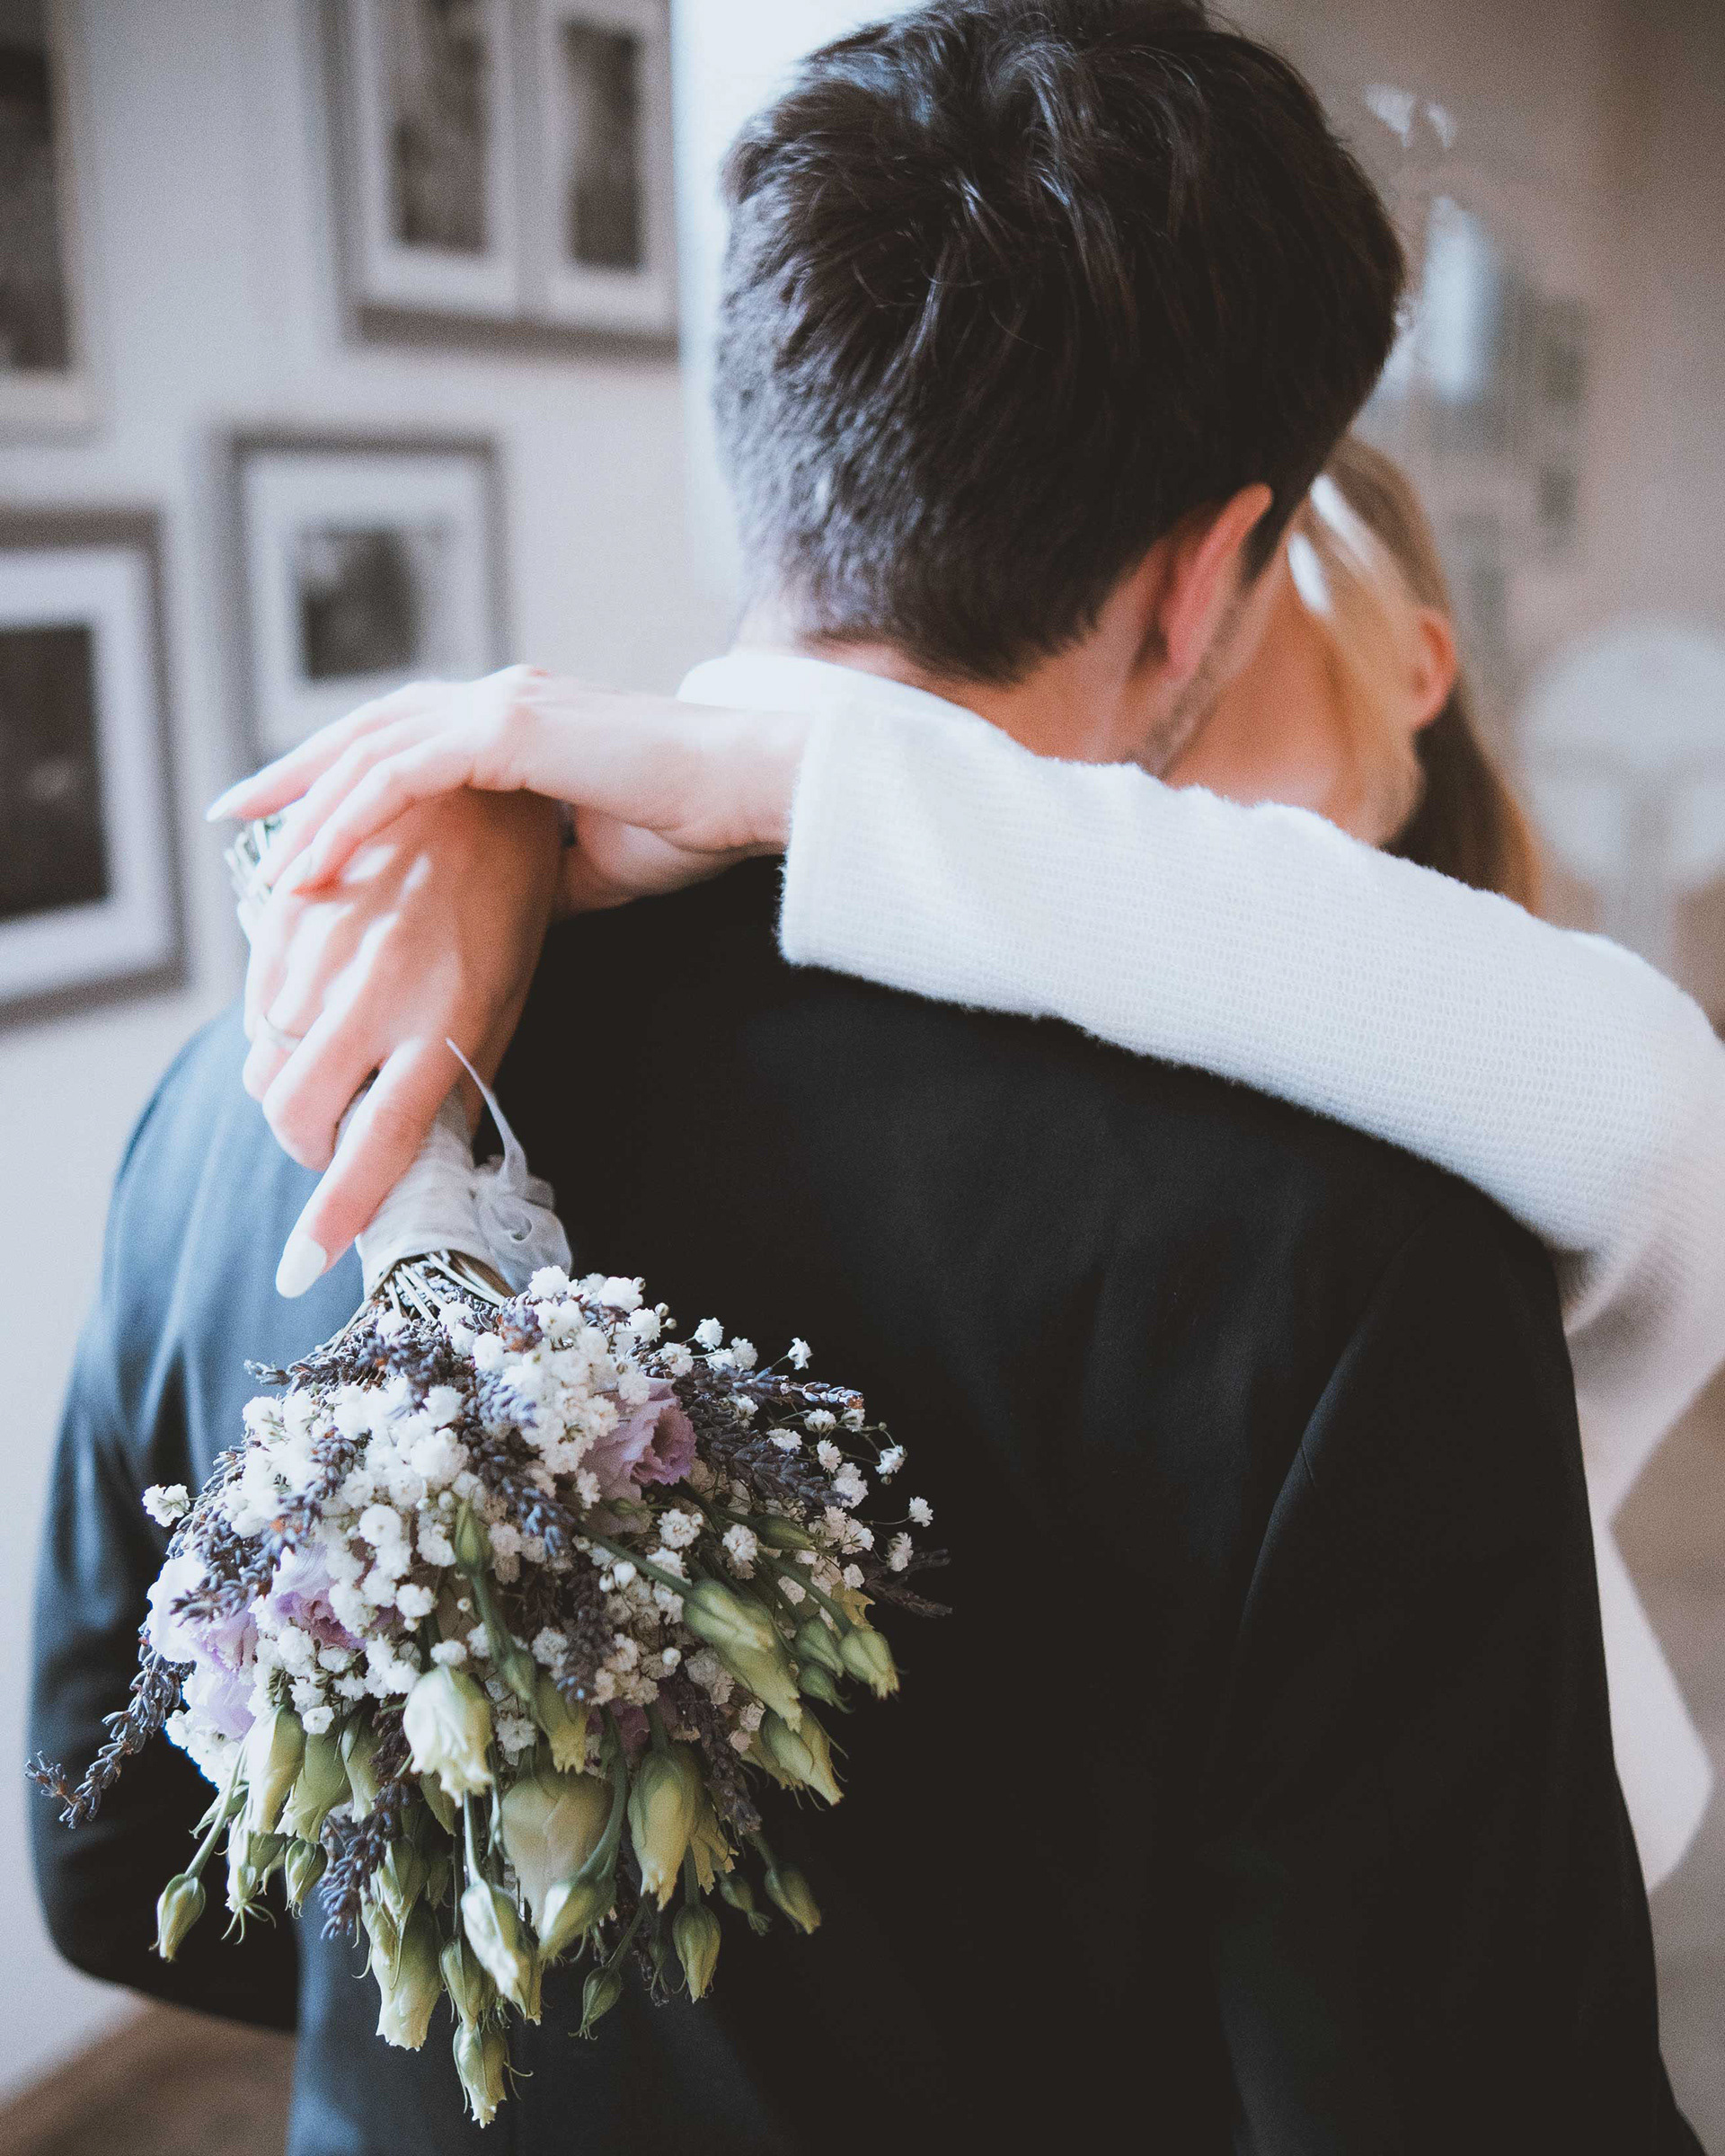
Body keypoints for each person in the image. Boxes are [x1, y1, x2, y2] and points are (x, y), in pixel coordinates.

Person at [32, 5, 1704, 2152]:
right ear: (1215, 569)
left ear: (768, 429)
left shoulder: (247, 1097)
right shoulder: (1353, 1258)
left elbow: (120, 1880)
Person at [220, 440, 1724, 1893]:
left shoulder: (1438, 1159)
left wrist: (810, 773)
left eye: (1214, 685)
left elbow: (1652, 1107)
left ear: (1412, 667)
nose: (1119, 763)